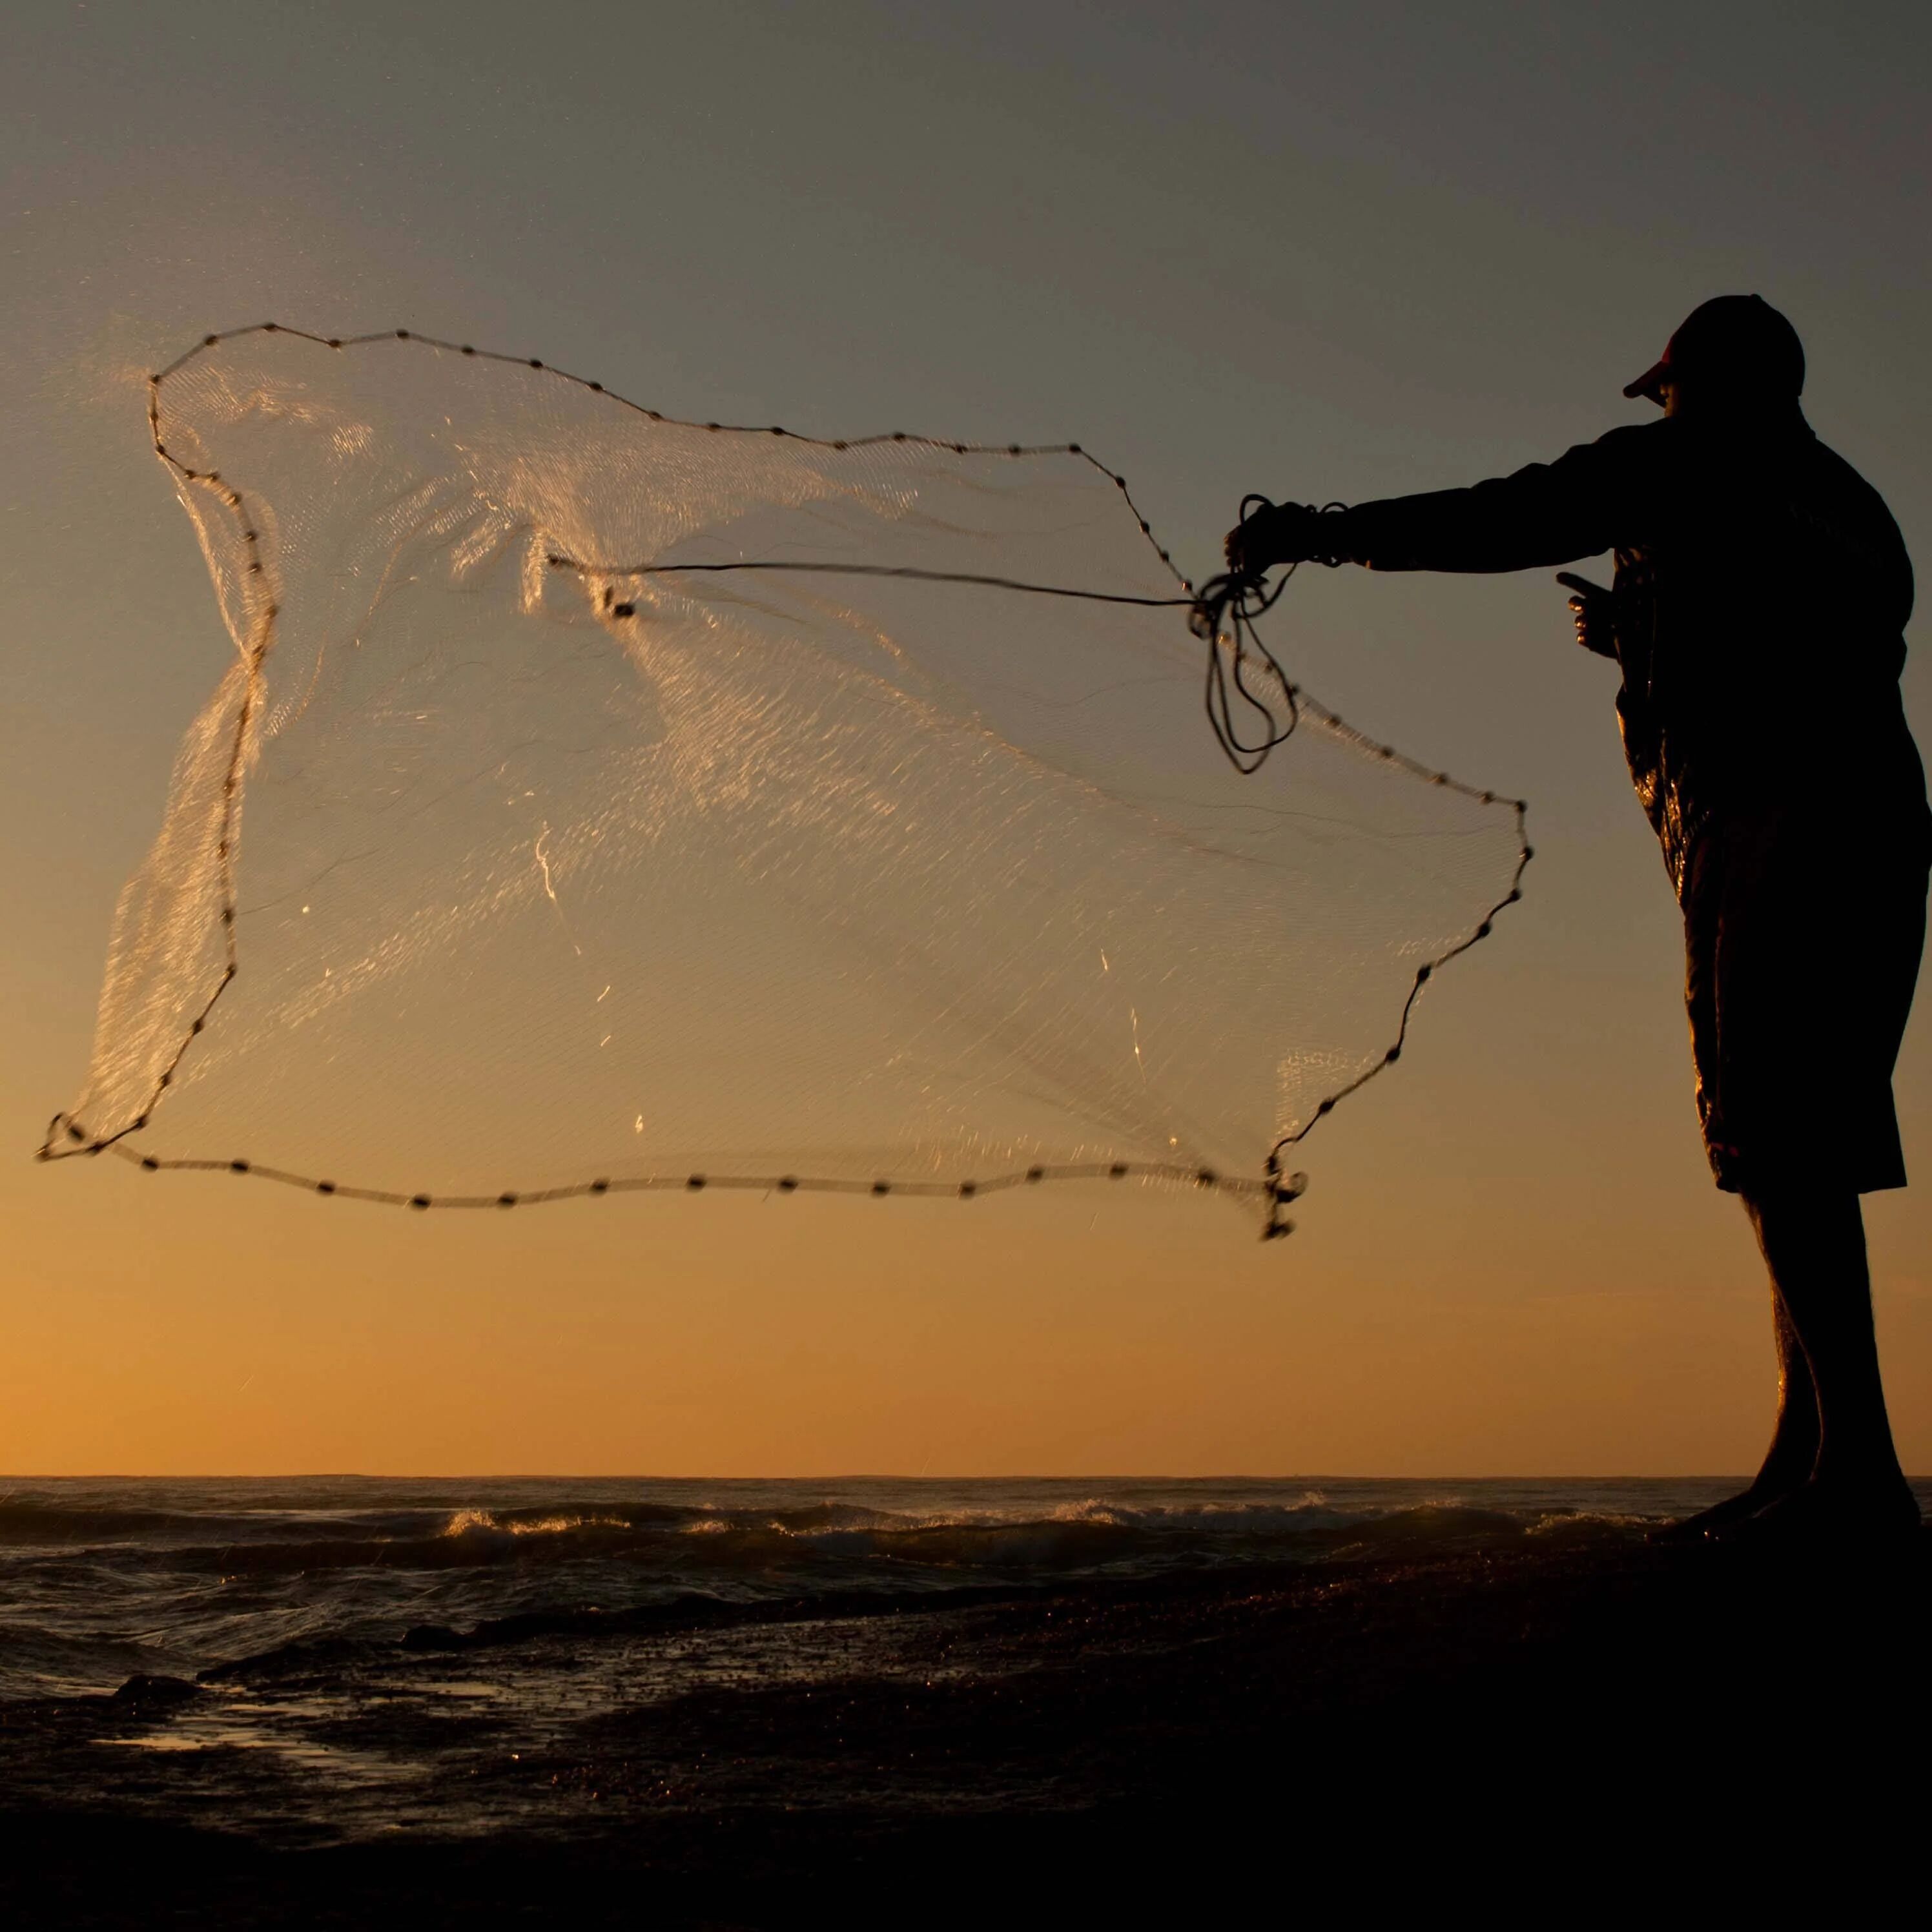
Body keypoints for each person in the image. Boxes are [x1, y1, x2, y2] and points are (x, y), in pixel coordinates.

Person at [1228, 296, 1926, 1541]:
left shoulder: (1678, 466)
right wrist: (1644, 634)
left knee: (1779, 1133)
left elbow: (1503, 517)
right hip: (1873, 830)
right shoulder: (1847, 501)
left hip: (1778, 828)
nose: (1660, 413)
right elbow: (1829, 639)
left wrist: (1319, 536)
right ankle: (1810, 1452)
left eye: (1667, 394)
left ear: (1691, 390)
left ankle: (1855, 1476)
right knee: (1795, 1141)